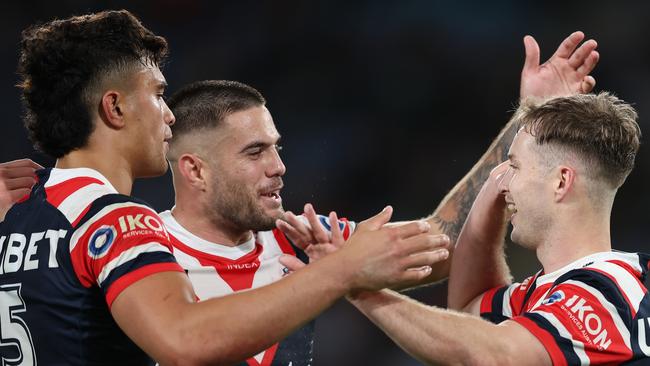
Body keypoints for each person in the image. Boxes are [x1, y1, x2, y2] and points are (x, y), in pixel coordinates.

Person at [0, 15, 599, 365]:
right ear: (195, 170)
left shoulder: (297, 245)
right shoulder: (128, 239)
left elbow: (437, 241)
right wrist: (337, 275)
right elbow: (184, 339)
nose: (281, 168)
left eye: (279, 148)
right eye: (256, 152)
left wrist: (530, 120)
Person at [295, 92, 645, 365]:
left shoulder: (616, 289)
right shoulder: (547, 293)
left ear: (561, 182)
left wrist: (354, 284)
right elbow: (468, 312)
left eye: (515, 167)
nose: (504, 181)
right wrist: (489, 193)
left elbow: (494, 355)